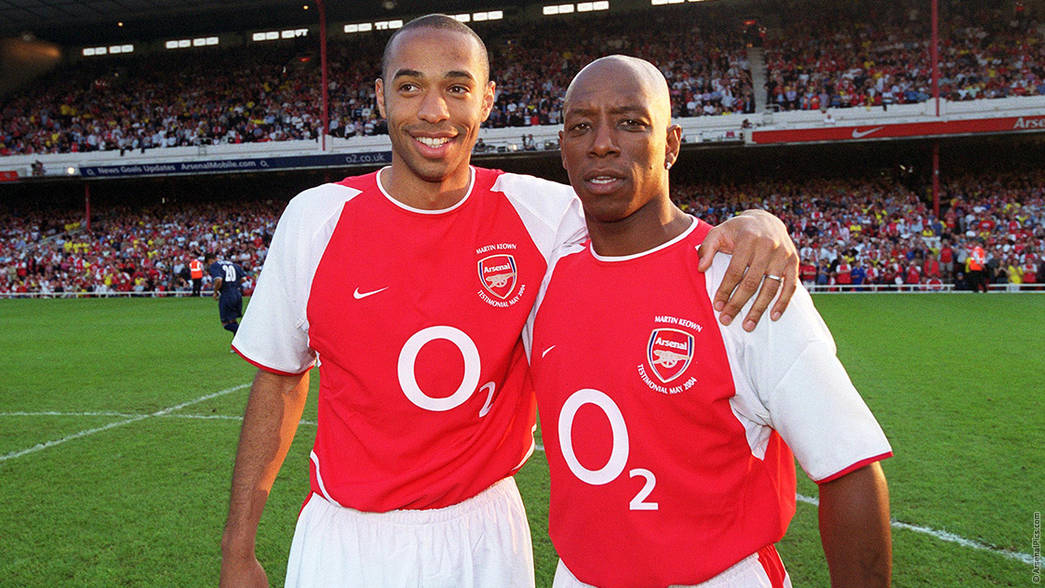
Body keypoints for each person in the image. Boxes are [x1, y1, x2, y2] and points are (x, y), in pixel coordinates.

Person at [219, 15, 799, 588]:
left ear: (487, 100)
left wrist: (760, 222)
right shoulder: (315, 219)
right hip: (347, 537)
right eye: (410, 86)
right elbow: (279, 380)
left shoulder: (545, 215)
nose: (434, 111)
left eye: (456, 87)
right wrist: (237, 552)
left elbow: (651, 217)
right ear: (380, 98)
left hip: (486, 530)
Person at [526, 55, 892, 587]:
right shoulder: (544, 275)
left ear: (671, 143)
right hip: (578, 576)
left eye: (630, 122)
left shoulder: (740, 276)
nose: (601, 142)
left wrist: (763, 223)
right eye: (582, 125)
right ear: (563, 148)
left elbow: (850, 468)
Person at [206, 252, 246, 335]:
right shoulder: (233, 264)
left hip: (227, 294)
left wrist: (215, 291)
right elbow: (244, 279)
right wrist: (234, 285)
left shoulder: (215, 265)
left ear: (210, 260)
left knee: (226, 323)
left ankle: (245, 333)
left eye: (208, 263)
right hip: (237, 294)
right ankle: (237, 346)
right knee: (233, 320)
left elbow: (219, 280)